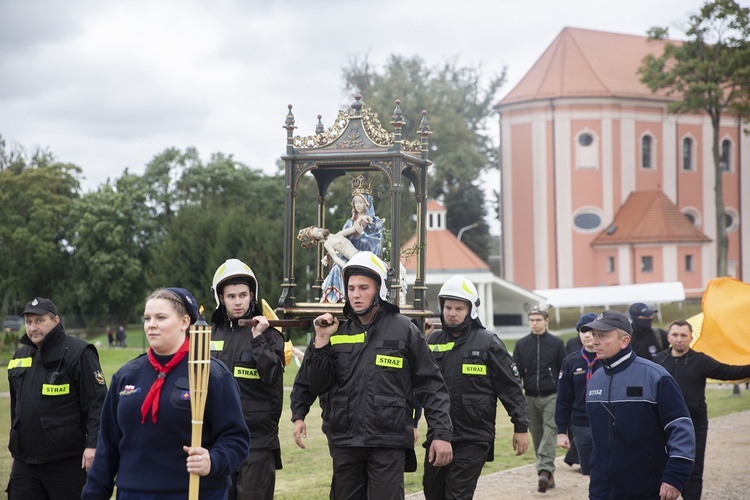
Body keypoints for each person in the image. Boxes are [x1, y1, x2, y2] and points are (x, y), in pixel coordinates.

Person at [306, 251, 453, 499]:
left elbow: (431, 385)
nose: (355, 294)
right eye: (351, 287)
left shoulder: (404, 329)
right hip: (345, 442)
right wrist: (320, 342)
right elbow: (318, 385)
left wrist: (441, 434)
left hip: (388, 441)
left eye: (363, 287)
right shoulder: (334, 329)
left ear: (380, 290)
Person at [82, 287, 250, 499]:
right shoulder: (126, 376)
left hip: (195, 492)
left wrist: (213, 460)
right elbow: (107, 448)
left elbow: (237, 439)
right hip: (134, 493)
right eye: (147, 318)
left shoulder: (212, 374)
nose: (151, 324)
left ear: (184, 322)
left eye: (161, 317)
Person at [423, 276, 529, 499]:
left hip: (474, 437)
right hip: (439, 435)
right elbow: (420, 386)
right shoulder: (432, 341)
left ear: (471, 310)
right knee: (433, 493)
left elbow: (510, 388)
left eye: (459, 308)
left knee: (458, 495)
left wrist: (520, 426)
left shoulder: (488, 342)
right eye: (448, 307)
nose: (452, 313)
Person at [581, 310, 695, 500]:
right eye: (593, 335)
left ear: (624, 341)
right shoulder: (595, 379)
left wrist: (675, 477)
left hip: (646, 489)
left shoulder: (655, 376)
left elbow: (680, 428)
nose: (594, 341)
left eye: (603, 336)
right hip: (601, 490)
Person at [7, 297, 108, 500]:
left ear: (55, 321)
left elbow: (97, 402)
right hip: (25, 464)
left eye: (39, 320)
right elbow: (16, 407)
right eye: (28, 322)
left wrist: (93, 445)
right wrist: (16, 451)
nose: (33, 327)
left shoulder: (79, 352)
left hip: (66, 462)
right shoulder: (19, 356)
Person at [209, 258, 285, 500]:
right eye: (231, 296)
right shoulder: (210, 334)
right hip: (219, 440)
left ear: (252, 295)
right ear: (221, 298)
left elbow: (273, 376)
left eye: (243, 294)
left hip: (258, 441)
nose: (238, 301)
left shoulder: (270, 334)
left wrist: (258, 339)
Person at [654, 319, 750, 500]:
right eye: (675, 335)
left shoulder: (700, 360)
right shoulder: (659, 361)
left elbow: (728, 372)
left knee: (693, 469)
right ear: (668, 337)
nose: (679, 339)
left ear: (691, 337)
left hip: (694, 423)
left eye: (684, 335)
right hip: (663, 424)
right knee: (662, 467)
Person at [512, 306, 566, 493]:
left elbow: (563, 371)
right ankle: (548, 475)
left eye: (538, 320)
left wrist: (562, 393)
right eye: (531, 320)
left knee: (550, 431)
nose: (534, 323)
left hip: (552, 394)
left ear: (546, 321)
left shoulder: (557, 343)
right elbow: (515, 372)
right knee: (538, 435)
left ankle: (543, 469)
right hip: (530, 396)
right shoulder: (521, 345)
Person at [319, 175, 384, 303]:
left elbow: (376, 242)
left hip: (366, 259)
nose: (358, 205)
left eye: (361, 202)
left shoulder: (375, 222)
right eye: (356, 202)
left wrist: (361, 237)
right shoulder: (350, 222)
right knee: (337, 267)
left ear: (367, 203)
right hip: (348, 257)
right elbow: (340, 238)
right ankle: (336, 298)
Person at [555, 312, 600, 476]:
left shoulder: (609, 359)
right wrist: (561, 432)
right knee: (588, 472)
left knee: (609, 469)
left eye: (591, 330)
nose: (587, 335)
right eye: (583, 331)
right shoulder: (571, 362)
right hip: (581, 426)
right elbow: (563, 400)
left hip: (607, 424)